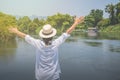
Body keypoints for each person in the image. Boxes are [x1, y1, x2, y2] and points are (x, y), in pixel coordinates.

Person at [9, 16, 84, 80]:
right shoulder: (56, 43)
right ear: (52, 35)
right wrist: (76, 23)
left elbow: (25, 36)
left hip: (41, 77)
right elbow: (67, 32)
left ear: (42, 35)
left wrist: (16, 31)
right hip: (54, 77)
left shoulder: (38, 43)